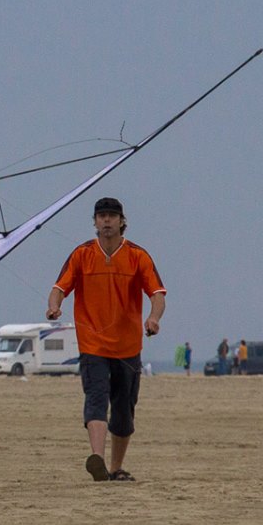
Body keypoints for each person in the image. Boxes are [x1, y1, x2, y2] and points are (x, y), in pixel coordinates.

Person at [46, 197, 166, 482]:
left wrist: (153, 319)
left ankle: (116, 467)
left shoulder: (138, 255)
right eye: (102, 217)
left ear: (122, 221)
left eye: (112, 216)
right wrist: (54, 306)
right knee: (96, 400)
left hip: (127, 347)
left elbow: (157, 295)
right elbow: (59, 287)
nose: (107, 221)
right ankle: (97, 459)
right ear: (95, 222)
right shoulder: (82, 254)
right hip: (93, 345)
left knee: (124, 412)